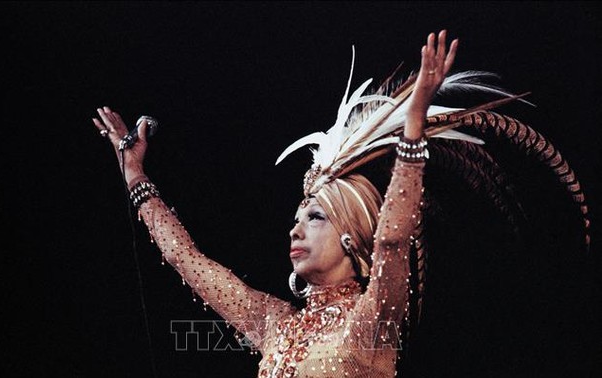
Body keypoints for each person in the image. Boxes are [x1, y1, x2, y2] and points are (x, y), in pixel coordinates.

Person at [92, 30, 589, 378]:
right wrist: (136, 174)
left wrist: (412, 127)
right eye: (295, 219)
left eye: (314, 217)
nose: (294, 230)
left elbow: (393, 238)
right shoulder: (273, 323)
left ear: (352, 235)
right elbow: (186, 258)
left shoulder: (372, 323)